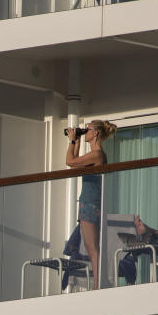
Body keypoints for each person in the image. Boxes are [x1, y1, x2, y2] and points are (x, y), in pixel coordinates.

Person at [65, 119, 118, 289]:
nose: (85, 131)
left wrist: (72, 140)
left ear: (95, 133)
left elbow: (69, 161)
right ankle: (99, 282)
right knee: (91, 247)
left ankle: (98, 284)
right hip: (90, 202)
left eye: (87, 130)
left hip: (90, 203)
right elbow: (74, 166)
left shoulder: (97, 154)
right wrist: (77, 142)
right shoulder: (97, 155)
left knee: (92, 248)